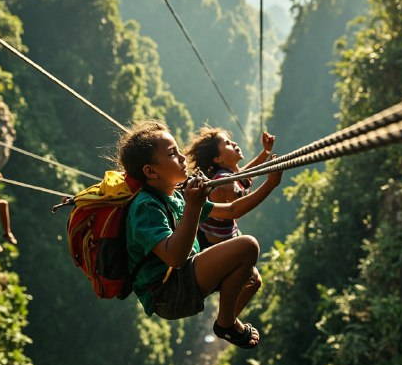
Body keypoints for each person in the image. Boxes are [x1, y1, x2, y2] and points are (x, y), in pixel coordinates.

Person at [118, 120, 282, 349]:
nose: (183, 158)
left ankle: (224, 322)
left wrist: (270, 185)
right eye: (172, 154)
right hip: (167, 292)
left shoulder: (175, 196)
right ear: (150, 171)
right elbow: (174, 257)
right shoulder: (146, 207)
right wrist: (193, 207)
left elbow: (232, 211)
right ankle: (226, 323)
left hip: (183, 274)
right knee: (247, 246)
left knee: (253, 279)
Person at [185, 127, 275, 250]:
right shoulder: (224, 185)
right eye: (227, 143)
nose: (234, 143)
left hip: (229, 234)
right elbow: (235, 210)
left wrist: (266, 152)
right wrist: (271, 183)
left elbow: (248, 171)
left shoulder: (230, 175)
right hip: (215, 246)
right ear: (218, 159)